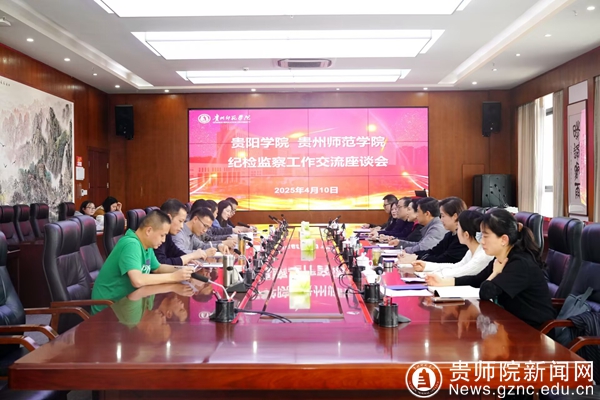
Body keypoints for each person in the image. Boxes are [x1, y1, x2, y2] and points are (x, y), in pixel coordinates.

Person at [425, 209, 555, 329]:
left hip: (533, 330)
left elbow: (486, 292)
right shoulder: (502, 258)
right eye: (481, 236)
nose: (481, 241)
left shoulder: (520, 264)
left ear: (503, 239)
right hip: (511, 323)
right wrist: (444, 282)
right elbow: (477, 279)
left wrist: (495, 272)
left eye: (485, 236)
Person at [91, 210, 195, 314]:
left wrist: (182, 270)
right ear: (149, 230)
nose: (164, 240)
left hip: (128, 305)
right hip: (108, 310)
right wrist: (173, 277)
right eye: (162, 235)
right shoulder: (131, 245)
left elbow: (158, 268)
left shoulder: (146, 245)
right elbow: (137, 280)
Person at [412, 210, 494, 278]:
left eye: (458, 228)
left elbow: (462, 272)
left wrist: (432, 274)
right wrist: (426, 266)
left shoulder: (483, 255)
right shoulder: (471, 251)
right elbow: (457, 266)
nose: (457, 231)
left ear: (466, 235)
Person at [398, 197, 468, 264]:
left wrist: (416, 258)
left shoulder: (462, 238)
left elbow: (445, 259)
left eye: (443, 216)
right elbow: (434, 251)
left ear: (455, 216)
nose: (441, 220)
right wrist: (414, 255)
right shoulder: (449, 235)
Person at [154, 199, 208, 265]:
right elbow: (161, 263)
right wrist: (190, 256)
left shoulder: (168, 235)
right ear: (169, 218)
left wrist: (189, 259)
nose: (182, 226)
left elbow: (175, 251)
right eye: (180, 221)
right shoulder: (155, 235)